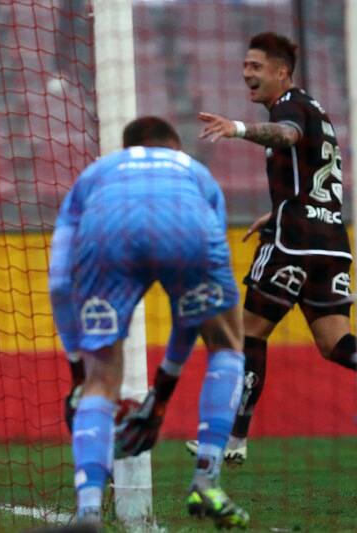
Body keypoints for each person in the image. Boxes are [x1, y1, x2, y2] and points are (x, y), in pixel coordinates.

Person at [185, 32, 357, 464]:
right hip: (332, 240)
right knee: (332, 341)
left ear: (282, 73)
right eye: (245, 66)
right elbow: (311, 169)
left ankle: (234, 440)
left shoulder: (289, 107)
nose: (247, 74)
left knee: (249, 332)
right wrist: (281, 208)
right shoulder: (317, 109)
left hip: (294, 240)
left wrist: (238, 129)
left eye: (256, 67)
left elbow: (285, 135)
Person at [49, 116, 249, 529]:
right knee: (227, 342)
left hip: (108, 232)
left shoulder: (96, 174)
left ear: (126, 150)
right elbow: (190, 314)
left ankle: (88, 512)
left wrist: (76, 369)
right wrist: (162, 393)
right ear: (174, 147)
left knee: (101, 377)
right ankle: (207, 479)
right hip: (186, 228)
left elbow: (58, 282)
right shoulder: (195, 173)